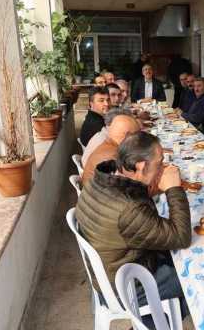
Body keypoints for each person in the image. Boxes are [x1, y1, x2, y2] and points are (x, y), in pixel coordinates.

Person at [75, 132, 191, 315]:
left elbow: (134, 213)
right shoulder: (129, 209)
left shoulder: (101, 179)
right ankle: (152, 323)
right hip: (126, 287)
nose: (162, 167)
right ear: (141, 166)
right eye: (159, 163)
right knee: (192, 282)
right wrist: (174, 189)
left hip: (108, 272)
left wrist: (150, 187)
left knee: (175, 258)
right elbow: (181, 236)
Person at [82, 114, 140, 185]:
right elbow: (132, 184)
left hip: (94, 192)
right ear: (128, 136)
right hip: (98, 194)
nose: (139, 141)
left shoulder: (107, 145)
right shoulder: (113, 156)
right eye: (138, 136)